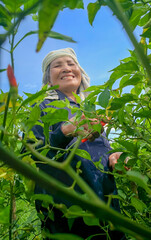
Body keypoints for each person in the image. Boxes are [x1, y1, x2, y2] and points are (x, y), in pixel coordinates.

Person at [31, 48, 126, 240]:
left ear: (81, 74)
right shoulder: (42, 106)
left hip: (106, 202)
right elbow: (33, 155)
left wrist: (115, 157)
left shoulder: (89, 110)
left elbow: (101, 151)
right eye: (57, 65)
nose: (66, 68)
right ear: (49, 80)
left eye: (71, 64)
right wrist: (65, 131)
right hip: (68, 209)